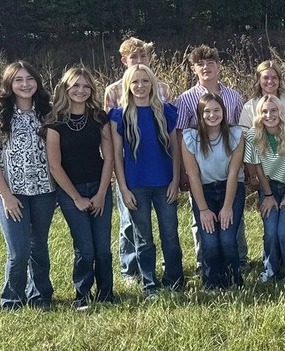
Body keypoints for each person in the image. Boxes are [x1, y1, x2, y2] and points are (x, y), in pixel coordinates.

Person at [0, 61, 56, 311]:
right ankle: (12, 299)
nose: (25, 84)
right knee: (18, 251)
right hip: (11, 193)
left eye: (30, 79)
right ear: (9, 84)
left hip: (44, 191)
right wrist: (6, 195)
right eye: (18, 80)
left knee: (39, 246)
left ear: (37, 82)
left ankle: (41, 295)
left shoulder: (49, 113)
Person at [109, 64, 184, 297]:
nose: (140, 86)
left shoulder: (166, 111)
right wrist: (123, 188)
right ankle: (149, 283)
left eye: (145, 81)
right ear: (127, 85)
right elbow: (116, 156)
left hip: (164, 184)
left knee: (170, 234)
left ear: (152, 84)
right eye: (135, 82)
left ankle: (175, 281)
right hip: (135, 186)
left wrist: (175, 181)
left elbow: (176, 149)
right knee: (143, 238)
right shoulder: (119, 115)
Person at [46, 67, 115, 310]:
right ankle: (82, 295)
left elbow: (109, 158)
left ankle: (106, 294)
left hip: (99, 187)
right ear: (66, 88)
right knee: (85, 248)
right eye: (75, 85)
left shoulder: (99, 118)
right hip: (70, 192)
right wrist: (76, 198)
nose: (81, 90)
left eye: (86, 86)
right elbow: (54, 165)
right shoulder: (55, 121)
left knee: (103, 248)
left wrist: (102, 193)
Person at [104, 37, 170, 284]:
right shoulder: (113, 91)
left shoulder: (162, 89)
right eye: (134, 57)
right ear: (124, 61)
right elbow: (109, 132)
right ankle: (130, 268)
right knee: (129, 222)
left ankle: (164, 264)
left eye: (143, 56)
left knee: (166, 225)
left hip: (157, 166)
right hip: (130, 169)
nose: (139, 60)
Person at [174, 45, 247, 270]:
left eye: (210, 63)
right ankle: (204, 262)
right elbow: (180, 135)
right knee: (201, 220)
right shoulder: (185, 99)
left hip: (229, 169)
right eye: (200, 64)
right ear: (193, 69)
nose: (206, 67)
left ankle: (239, 259)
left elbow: (240, 131)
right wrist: (183, 173)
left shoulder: (233, 96)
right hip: (200, 172)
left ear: (219, 66)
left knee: (234, 219)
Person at [181, 94, 246, 289]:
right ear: (200, 114)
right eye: (207, 111)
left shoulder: (235, 135)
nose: (212, 115)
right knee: (209, 242)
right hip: (204, 192)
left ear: (223, 112)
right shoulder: (190, 137)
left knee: (227, 240)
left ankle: (233, 282)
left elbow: (234, 173)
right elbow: (193, 176)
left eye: (216, 110)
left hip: (230, 189)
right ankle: (211, 284)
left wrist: (227, 207)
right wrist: (203, 210)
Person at [245, 96, 285, 282]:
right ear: (259, 114)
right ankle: (270, 271)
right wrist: (267, 195)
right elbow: (257, 167)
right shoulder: (253, 134)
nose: (269, 115)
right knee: (271, 232)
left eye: (273, 110)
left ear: (280, 112)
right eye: (264, 111)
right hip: (268, 186)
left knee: (284, 232)